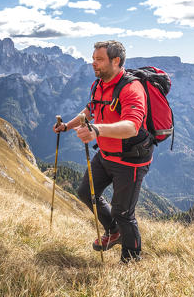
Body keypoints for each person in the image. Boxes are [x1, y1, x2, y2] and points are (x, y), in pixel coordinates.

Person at [53, 40, 153, 263]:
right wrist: (66, 126)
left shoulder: (132, 88)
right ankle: (114, 231)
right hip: (106, 155)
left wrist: (97, 130)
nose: (93, 63)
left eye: (99, 59)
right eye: (93, 58)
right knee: (85, 192)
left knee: (124, 213)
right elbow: (90, 110)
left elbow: (132, 126)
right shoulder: (99, 84)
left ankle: (131, 262)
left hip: (130, 160)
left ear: (115, 61)